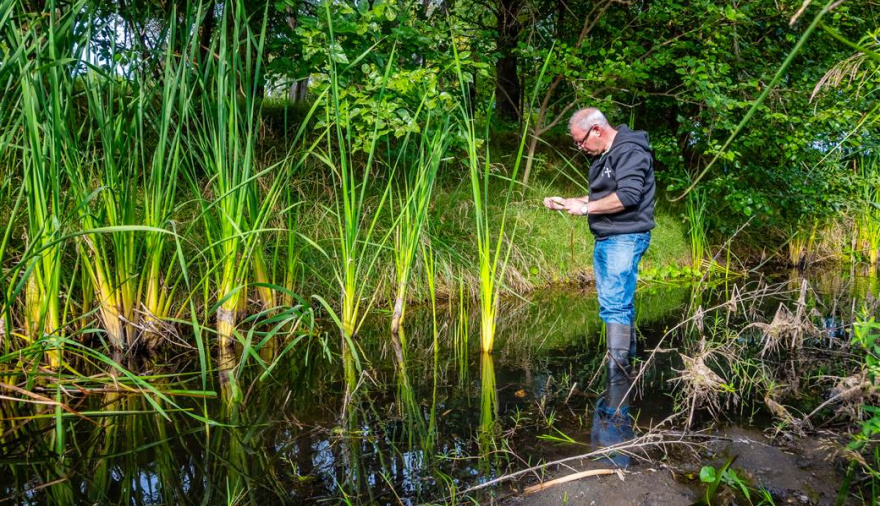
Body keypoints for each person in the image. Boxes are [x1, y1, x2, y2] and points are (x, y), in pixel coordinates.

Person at [543, 108, 655, 388]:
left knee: (615, 305)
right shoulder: (607, 155)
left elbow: (628, 196)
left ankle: (617, 377)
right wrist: (570, 202)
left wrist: (585, 209)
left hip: (625, 236)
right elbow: (603, 196)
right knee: (618, 305)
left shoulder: (629, 151)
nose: (580, 147)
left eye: (580, 141)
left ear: (596, 130)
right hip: (608, 237)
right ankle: (625, 374)